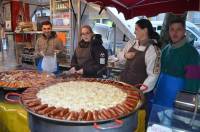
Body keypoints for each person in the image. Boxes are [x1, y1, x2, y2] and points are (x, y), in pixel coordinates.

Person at [153, 18, 200, 108]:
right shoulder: (166, 49)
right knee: (156, 119)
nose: (175, 33)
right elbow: (159, 71)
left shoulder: (192, 53)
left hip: (177, 96)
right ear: (169, 31)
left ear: (184, 31)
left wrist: (186, 101)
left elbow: (193, 80)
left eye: (178, 29)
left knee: (171, 120)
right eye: (172, 29)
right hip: (161, 92)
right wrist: (155, 87)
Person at [119, 19, 161, 94]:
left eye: (136, 29)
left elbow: (153, 76)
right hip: (123, 85)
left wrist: (139, 91)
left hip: (137, 91)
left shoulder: (152, 50)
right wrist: (125, 56)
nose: (134, 32)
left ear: (144, 30)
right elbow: (119, 57)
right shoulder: (132, 43)